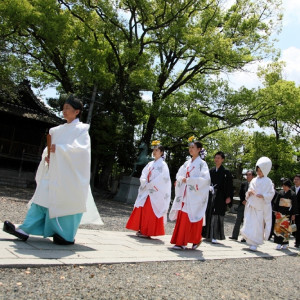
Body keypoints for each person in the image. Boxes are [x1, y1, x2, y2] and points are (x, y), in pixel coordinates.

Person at [3, 95, 103, 245]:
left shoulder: (82, 129)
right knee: (41, 197)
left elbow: (82, 151)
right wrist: (48, 157)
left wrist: (61, 150)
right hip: (53, 171)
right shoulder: (56, 130)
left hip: (68, 174)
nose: (64, 111)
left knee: (66, 202)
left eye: (67, 108)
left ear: (77, 112)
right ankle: (24, 229)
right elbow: (48, 150)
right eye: (63, 108)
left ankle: (65, 236)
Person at [169, 137, 210, 250]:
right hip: (185, 193)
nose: (190, 149)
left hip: (194, 194)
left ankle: (194, 239)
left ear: (199, 149)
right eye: (190, 147)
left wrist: (190, 180)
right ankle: (181, 241)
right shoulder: (187, 163)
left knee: (193, 216)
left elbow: (205, 180)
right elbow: (179, 174)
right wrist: (181, 179)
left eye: (193, 147)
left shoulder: (202, 164)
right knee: (184, 216)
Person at [126, 141, 171, 238]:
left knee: (150, 210)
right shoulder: (150, 163)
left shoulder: (163, 165)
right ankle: (142, 229)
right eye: (154, 150)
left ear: (162, 152)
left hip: (155, 190)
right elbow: (144, 174)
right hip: (147, 188)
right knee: (142, 208)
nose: (154, 152)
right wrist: (144, 181)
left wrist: (151, 184)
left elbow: (163, 178)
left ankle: (148, 231)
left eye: (157, 150)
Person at [240, 157, 275, 251]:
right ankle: (249, 241)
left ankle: (255, 242)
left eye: (261, 170)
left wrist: (263, 195)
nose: (259, 172)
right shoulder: (254, 180)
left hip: (260, 206)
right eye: (258, 170)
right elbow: (248, 190)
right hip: (252, 204)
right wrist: (249, 193)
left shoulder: (268, 181)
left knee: (257, 225)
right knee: (249, 223)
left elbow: (271, 193)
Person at [202, 151, 233, 244]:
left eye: (219, 158)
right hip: (211, 194)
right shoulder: (211, 170)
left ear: (222, 159)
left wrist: (229, 197)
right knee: (209, 214)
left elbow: (229, 186)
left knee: (217, 215)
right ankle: (207, 235)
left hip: (220, 196)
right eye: (215, 157)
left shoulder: (226, 172)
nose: (216, 159)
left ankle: (215, 235)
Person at [229, 170, 255, 242]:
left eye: (249, 175)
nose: (247, 176)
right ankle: (234, 236)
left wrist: (248, 202)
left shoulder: (256, 185)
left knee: (247, 221)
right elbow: (240, 193)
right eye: (247, 175)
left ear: (253, 176)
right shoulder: (244, 183)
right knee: (238, 220)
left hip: (250, 205)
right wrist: (243, 200)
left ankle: (245, 237)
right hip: (242, 204)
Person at [273, 179, 297, 250]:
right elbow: (276, 202)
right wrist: (275, 210)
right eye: (283, 186)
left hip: (287, 213)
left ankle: (285, 243)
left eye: (285, 186)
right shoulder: (280, 193)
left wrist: (293, 214)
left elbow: (294, 205)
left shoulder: (292, 194)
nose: (283, 187)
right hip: (280, 213)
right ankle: (278, 243)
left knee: (285, 229)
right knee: (278, 228)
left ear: (288, 186)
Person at [291, 174, 300, 248]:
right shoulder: (292, 188)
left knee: (298, 226)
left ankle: (297, 242)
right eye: (295, 179)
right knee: (293, 227)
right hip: (292, 211)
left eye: (297, 179)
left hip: (299, 211)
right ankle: (295, 238)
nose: (295, 181)